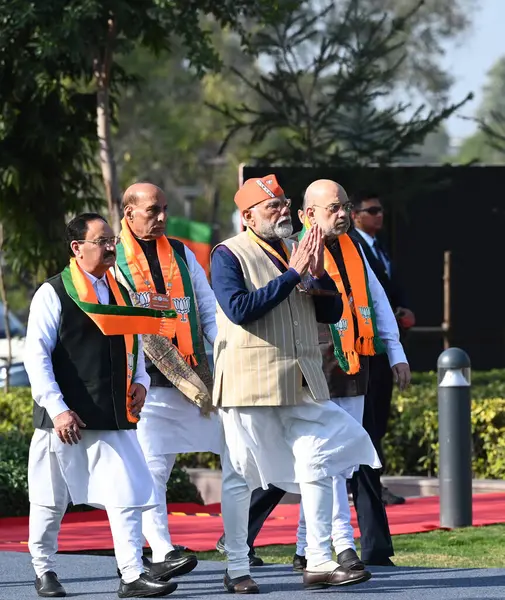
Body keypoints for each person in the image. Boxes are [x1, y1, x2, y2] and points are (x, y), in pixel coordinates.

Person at [211, 174, 381, 593]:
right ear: (248, 215)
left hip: (303, 381)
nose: (283, 210)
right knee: (241, 476)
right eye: (273, 206)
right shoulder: (227, 254)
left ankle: (320, 559)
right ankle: (236, 566)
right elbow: (238, 310)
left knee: (320, 459)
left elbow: (331, 313)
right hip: (249, 383)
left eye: (285, 203)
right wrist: (292, 275)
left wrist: (320, 281)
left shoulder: (298, 249)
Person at [24, 213, 177, 598]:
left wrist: (141, 382)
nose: (111, 247)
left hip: (111, 414)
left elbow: (135, 344)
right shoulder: (53, 293)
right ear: (77, 248)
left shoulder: (120, 292)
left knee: (125, 494)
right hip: (64, 420)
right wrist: (57, 409)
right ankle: (43, 568)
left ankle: (130, 574)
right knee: (49, 501)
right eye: (102, 241)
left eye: (112, 240)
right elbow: (36, 357)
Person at [294, 179, 410, 568]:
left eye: (345, 207)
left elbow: (377, 299)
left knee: (339, 461)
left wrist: (395, 352)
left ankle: (304, 546)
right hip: (315, 367)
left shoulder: (354, 247)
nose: (343, 214)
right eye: (334, 208)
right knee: (324, 460)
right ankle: (340, 544)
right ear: (309, 214)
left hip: (356, 365)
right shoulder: (292, 249)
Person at [115, 182, 221, 581]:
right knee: (154, 470)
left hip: (194, 378)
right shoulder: (113, 259)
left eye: (164, 209)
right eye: (152, 211)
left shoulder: (180, 253)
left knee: (236, 453)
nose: (161, 217)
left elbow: (206, 307)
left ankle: (239, 545)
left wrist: (224, 349)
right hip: (145, 382)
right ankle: (160, 550)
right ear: (129, 214)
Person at [350, 191, 415, 505]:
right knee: (368, 416)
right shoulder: (353, 246)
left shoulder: (379, 247)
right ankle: (365, 484)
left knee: (380, 414)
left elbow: (384, 292)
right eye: (372, 210)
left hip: (384, 344)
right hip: (361, 345)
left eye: (381, 210)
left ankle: (372, 482)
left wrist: (401, 311)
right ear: (356, 215)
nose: (379, 215)